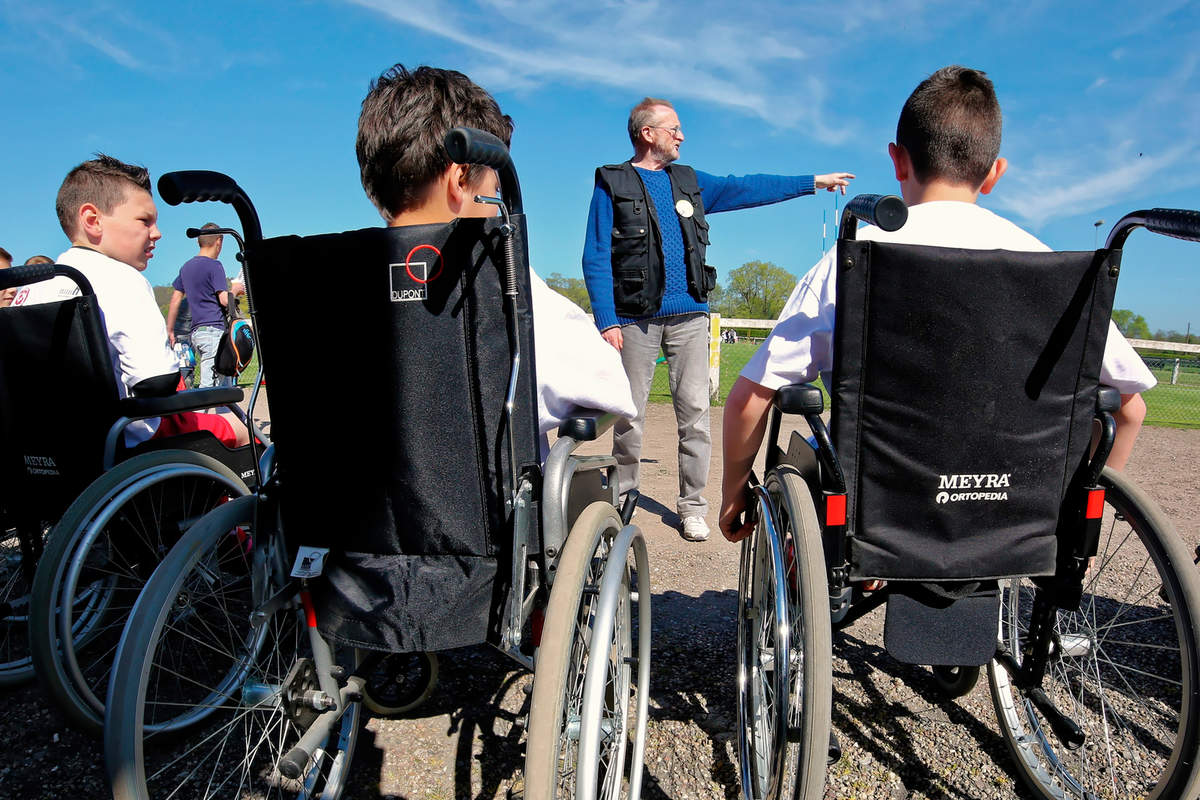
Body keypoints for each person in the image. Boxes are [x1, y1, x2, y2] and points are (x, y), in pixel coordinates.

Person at [719, 65, 1156, 543]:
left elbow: (750, 399)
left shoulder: (853, 259)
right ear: (994, 173)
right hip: (1015, 514)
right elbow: (1129, 410)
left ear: (897, 161)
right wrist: (1078, 518)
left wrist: (733, 493)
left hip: (881, 513)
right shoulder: (1053, 270)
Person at [582, 97, 855, 542]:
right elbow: (595, 256)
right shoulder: (612, 183)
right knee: (628, 416)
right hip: (634, 321)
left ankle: (693, 507)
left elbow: (748, 187)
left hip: (690, 317)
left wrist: (813, 183)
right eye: (673, 128)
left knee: (694, 414)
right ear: (647, 133)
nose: (681, 135)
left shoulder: (688, 182)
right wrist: (607, 320)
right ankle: (623, 500)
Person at [356, 64, 635, 450]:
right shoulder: (497, 276)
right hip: (486, 504)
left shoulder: (332, 284)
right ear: (460, 180)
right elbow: (609, 385)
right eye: (494, 186)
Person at [10, 155, 248, 448]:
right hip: (128, 438)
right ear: (93, 220)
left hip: (49, 446)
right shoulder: (120, 278)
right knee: (243, 430)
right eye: (144, 220)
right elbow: (156, 381)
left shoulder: (32, 287)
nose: (157, 233)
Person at [165, 223, 233, 388]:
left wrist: (170, 330)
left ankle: (230, 414)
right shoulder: (215, 265)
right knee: (210, 388)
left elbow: (175, 300)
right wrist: (235, 291)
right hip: (213, 332)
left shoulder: (186, 267)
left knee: (225, 386)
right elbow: (224, 299)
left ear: (198, 242)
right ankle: (201, 414)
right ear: (219, 242)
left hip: (196, 333)